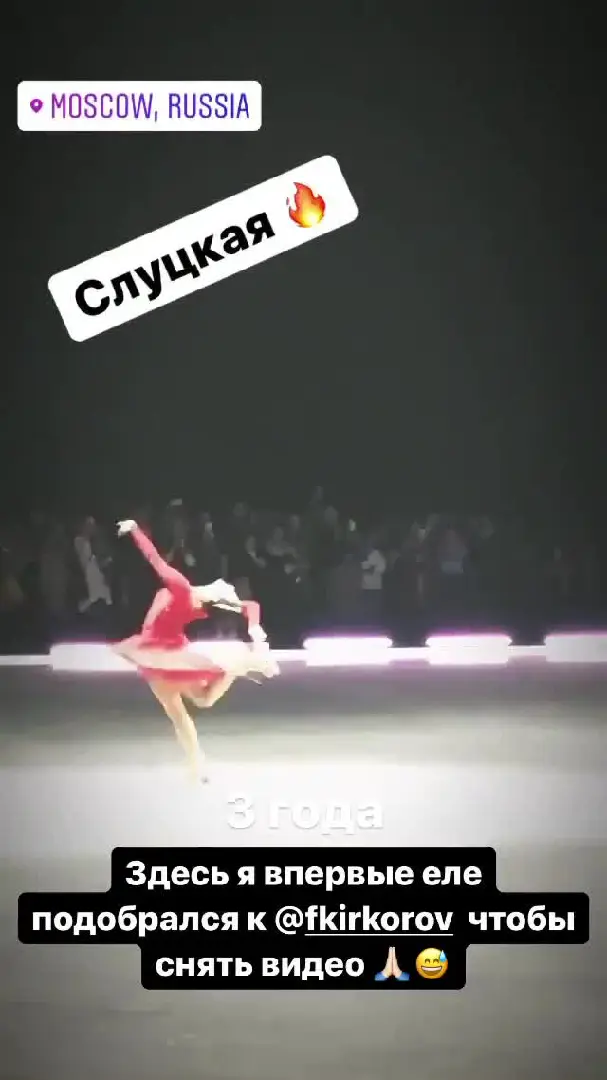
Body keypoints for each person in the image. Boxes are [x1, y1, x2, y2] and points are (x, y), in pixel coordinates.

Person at [113, 519, 278, 783]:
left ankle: (236, 668)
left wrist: (256, 631)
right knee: (181, 711)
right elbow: (155, 559)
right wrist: (134, 529)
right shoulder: (180, 587)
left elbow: (251, 606)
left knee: (201, 701)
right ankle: (196, 765)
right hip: (155, 649)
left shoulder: (207, 604)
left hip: (171, 650)